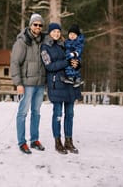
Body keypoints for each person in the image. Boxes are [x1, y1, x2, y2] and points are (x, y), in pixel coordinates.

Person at [40, 22, 82, 155]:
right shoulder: (45, 48)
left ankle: (68, 141)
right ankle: (57, 141)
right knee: (58, 114)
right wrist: (67, 62)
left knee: (69, 114)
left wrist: (76, 64)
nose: (56, 34)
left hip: (69, 84)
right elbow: (49, 66)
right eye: (54, 32)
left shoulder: (65, 45)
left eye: (58, 32)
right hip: (56, 84)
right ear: (49, 33)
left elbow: (74, 59)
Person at [10, 13, 46, 154]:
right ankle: (22, 142)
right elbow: (14, 63)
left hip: (40, 83)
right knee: (22, 113)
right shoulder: (22, 41)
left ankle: (34, 140)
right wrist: (18, 83)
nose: (37, 27)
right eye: (35, 24)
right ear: (30, 25)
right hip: (26, 84)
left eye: (40, 25)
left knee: (36, 113)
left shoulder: (44, 41)